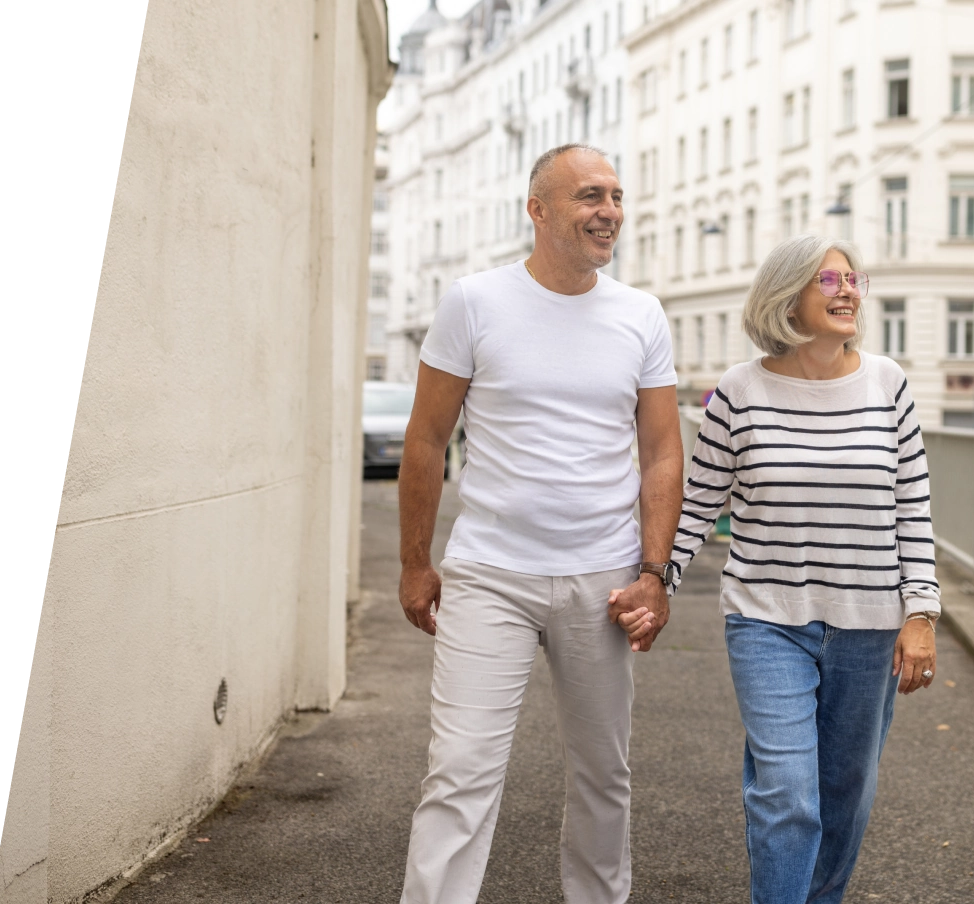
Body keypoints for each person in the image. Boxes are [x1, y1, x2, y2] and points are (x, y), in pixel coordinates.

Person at [395, 143, 685, 904]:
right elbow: (426, 438)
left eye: (617, 196)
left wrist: (653, 573)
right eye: (591, 196)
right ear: (539, 209)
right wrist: (414, 561)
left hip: (604, 576)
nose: (610, 212)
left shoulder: (640, 314)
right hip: (491, 571)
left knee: (603, 774)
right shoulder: (474, 302)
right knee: (460, 771)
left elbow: (661, 451)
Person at [612, 235, 941, 904]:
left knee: (845, 797)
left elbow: (913, 503)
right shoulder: (741, 391)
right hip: (768, 622)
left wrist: (922, 612)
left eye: (854, 279)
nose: (848, 290)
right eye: (829, 280)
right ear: (787, 295)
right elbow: (700, 503)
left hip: (870, 627)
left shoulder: (888, 383)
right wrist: (657, 581)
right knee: (789, 795)